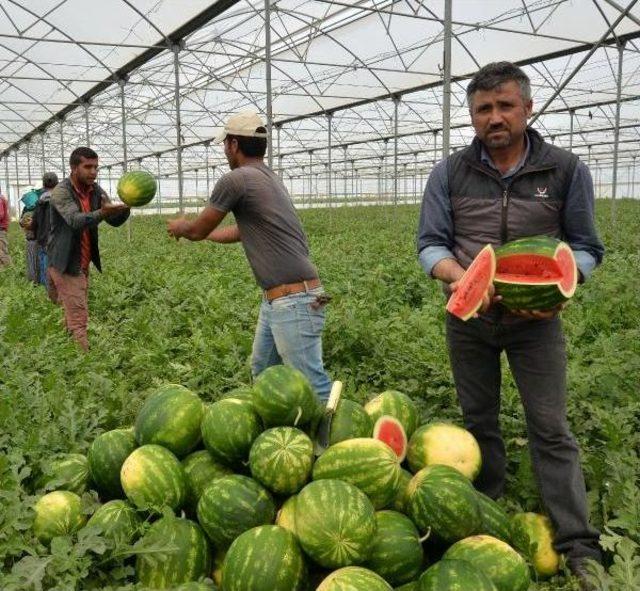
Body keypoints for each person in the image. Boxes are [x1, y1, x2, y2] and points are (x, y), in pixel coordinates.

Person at [416, 62, 604, 586]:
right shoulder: (449, 172)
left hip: (535, 324)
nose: (493, 117)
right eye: (483, 109)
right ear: (472, 116)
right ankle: (488, 520)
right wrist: (457, 276)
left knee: (552, 429)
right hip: (469, 319)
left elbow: (587, 248)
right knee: (479, 424)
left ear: (527, 107)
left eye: (504, 106)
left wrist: (563, 288)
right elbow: (430, 243)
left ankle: (578, 544)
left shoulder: (564, 170)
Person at [167, 111, 332, 402]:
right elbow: (244, 230)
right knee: (263, 372)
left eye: (224, 145)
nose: (224, 151)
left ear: (233, 144)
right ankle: (277, 437)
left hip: (293, 300)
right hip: (279, 300)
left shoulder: (236, 179)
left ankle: (332, 444)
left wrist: (183, 228)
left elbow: (196, 230)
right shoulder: (268, 177)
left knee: (311, 382)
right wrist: (203, 234)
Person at [48, 147, 130, 350]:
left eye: (96, 167)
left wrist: (127, 206)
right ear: (74, 168)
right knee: (79, 316)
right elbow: (75, 221)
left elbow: (113, 220)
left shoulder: (95, 190)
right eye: (88, 167)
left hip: (82, 260)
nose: (93, 172)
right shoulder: (61, 192)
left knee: (75, 308)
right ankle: (84, 363)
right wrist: (102, 212)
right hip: (65, 261)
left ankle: (66, 349)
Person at [33, 172, 59, 287]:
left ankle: (47, 290)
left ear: (43, 185)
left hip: (43, 238)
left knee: (45, 263)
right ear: (57, 184)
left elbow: (35, 222)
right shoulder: (61, 200)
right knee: (59, 265)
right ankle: (58, 289)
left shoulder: (40, 202)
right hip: (58, 238)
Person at [19, 187, 43, 283]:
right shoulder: (26, 209)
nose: (24, 201)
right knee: (32, 261)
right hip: (30, 239)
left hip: (40, 239)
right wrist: (22, 222)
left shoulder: (41, 206)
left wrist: (32, 223)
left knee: (40, 261)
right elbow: (21, 221)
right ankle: (34, 281)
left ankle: (40, 281)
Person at [0, 189, 10, 268]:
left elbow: (1, 215)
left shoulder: (0, 199)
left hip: (1, 229)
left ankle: (10, 269)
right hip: (2, 228)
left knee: (2, 251)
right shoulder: (2, 198)